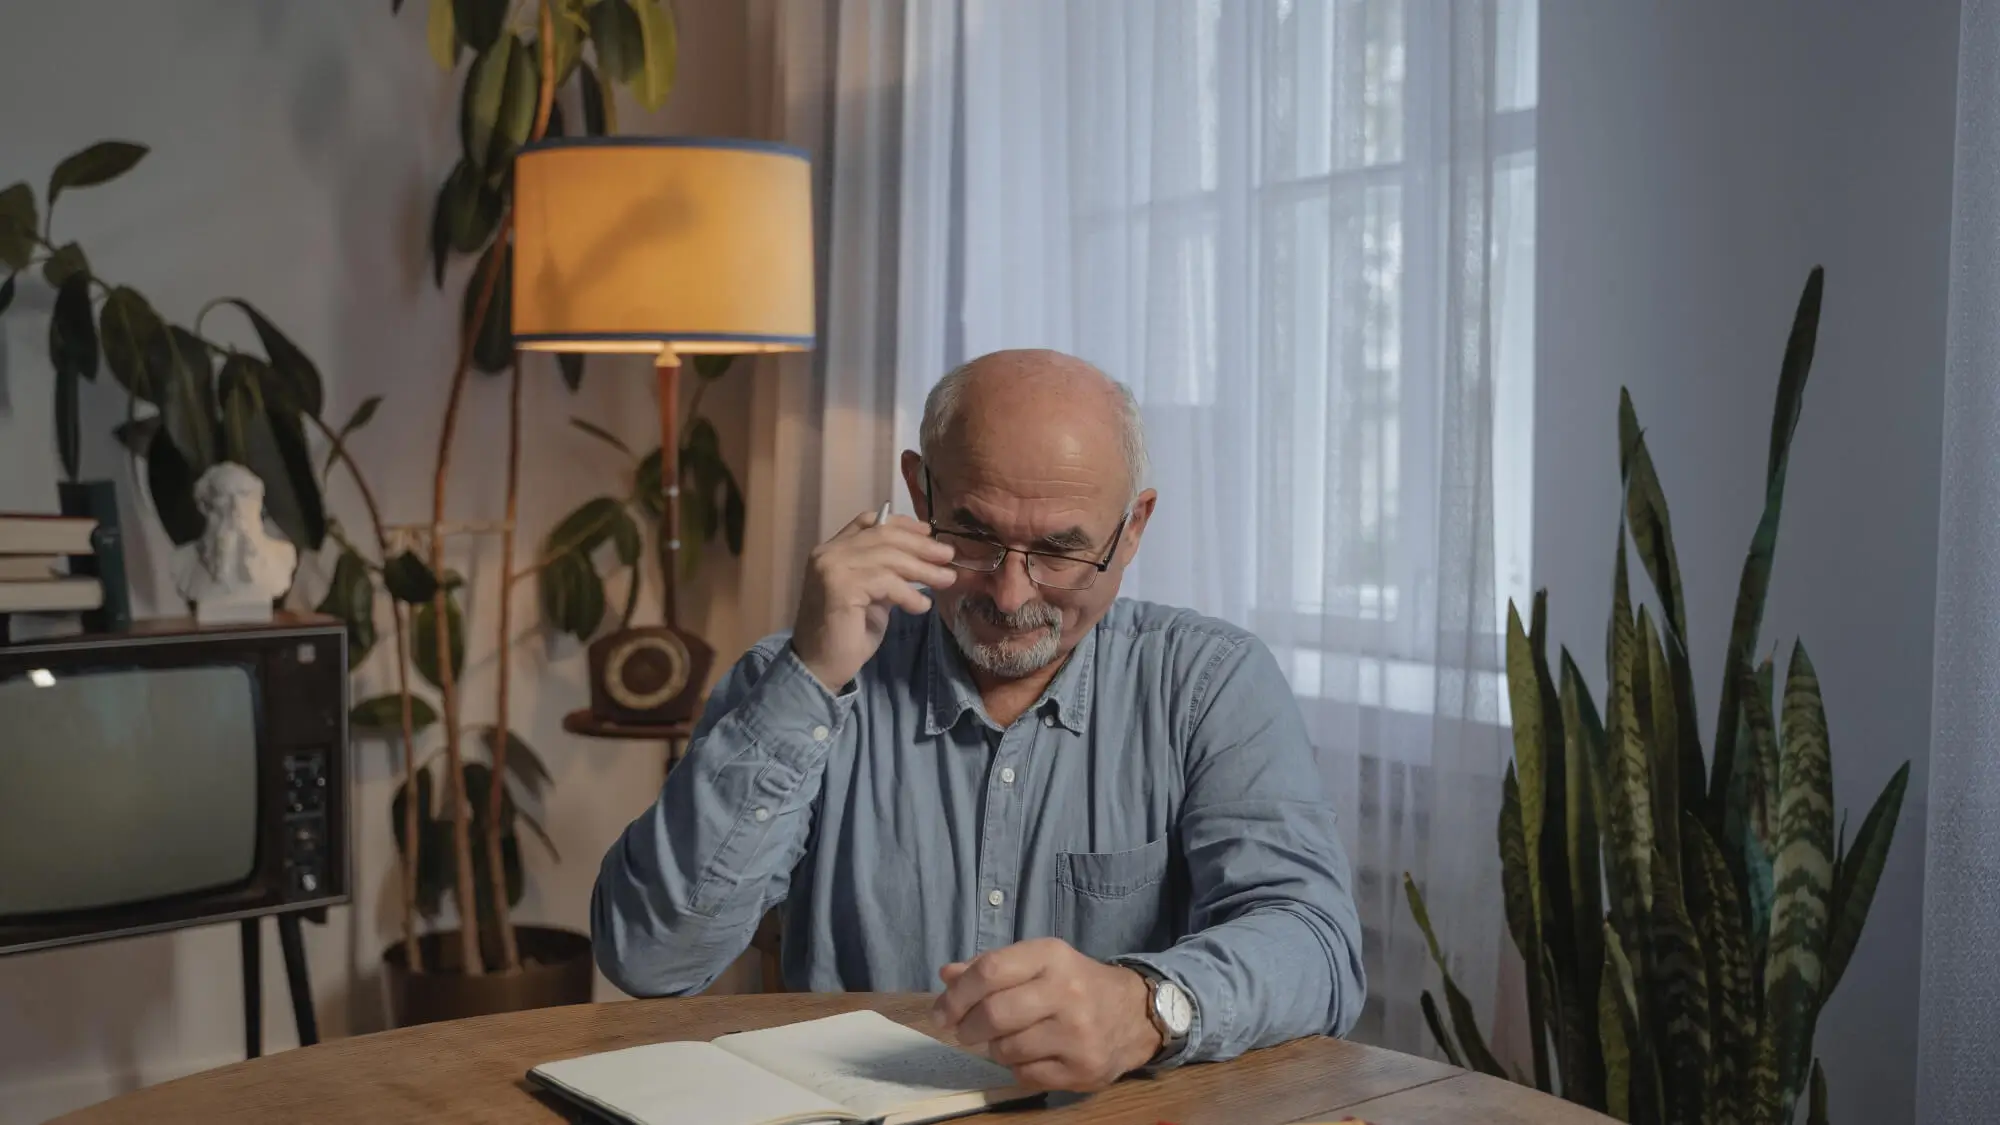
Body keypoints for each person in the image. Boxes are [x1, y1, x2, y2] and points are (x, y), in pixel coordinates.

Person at [592, 348, 1365, 1092]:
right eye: (974, 535)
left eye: (1061, 551)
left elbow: (1317, 945)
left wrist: (1148, 1005)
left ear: (1132, 530)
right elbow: (650, 959)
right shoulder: (795, 679)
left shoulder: (1208, 683)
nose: (1008, 592)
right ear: (919, 495)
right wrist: (809, 678)